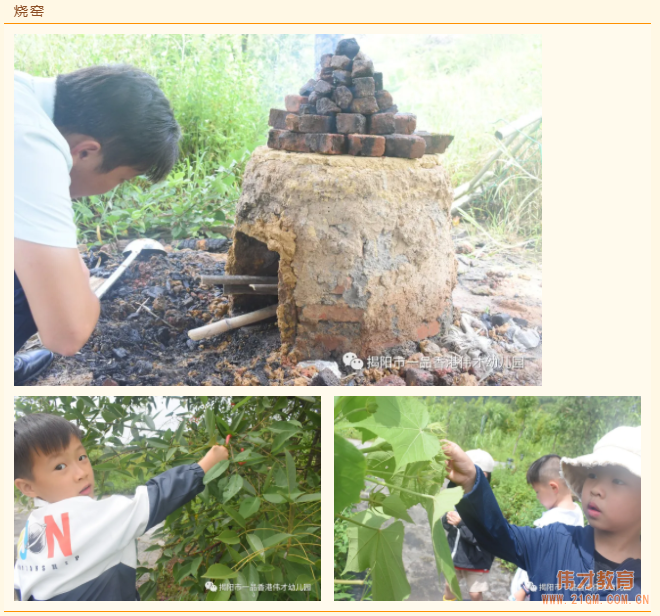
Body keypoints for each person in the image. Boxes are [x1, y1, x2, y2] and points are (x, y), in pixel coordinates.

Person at [14, 66, 180, 384]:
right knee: (33, 286)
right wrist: (81, 281)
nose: (113, 188)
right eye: (121, 179)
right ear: (86, 151)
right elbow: (67, 334)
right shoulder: (33, 146)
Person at [14, 413, 227, 601]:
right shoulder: (93, 517)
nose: (82, 473)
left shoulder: (29, 532)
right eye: (60, 466)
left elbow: (19, 586)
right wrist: (206, 463)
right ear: (27, 487)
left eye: (81, 457)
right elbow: (156, 498)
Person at [442, 426, 641, 601]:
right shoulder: (556, 540)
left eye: (618, 481)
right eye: (593, 475)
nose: (596, 488)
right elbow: (499, 534)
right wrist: (470, 481)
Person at [509, 454, 585, 601]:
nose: (537, 497)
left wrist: (522, 592)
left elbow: (541, 564)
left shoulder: (551, 524)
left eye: (538, 492)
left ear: (553, 487)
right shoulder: (576, 512)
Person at [442, 449, 495, 601]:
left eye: (480, 477)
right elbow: (446, 525)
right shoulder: (454, 495)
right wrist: (448, 519)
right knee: (449, 587)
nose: (474, 481)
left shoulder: (487, 503)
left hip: (477, 558)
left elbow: (485, 537)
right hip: (455, 554)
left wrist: (461, 524)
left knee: (475, 593)